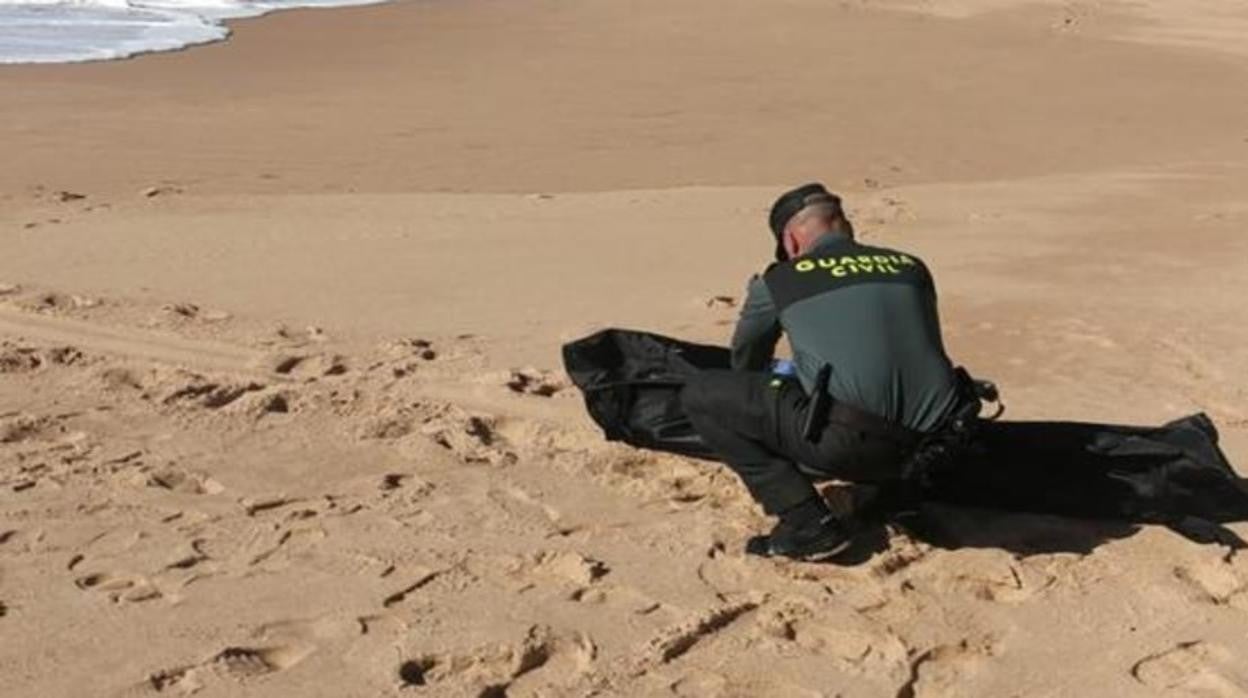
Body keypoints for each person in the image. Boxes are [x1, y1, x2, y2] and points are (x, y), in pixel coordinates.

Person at [681, 182, 968, 561]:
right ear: (845, 228)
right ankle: (898, 495)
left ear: (792, 241)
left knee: (702, 395)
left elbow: (746, 361)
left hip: (853, 444)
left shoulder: (780, 279)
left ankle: (807, 523)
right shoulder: (911, 266)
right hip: (942, 442)